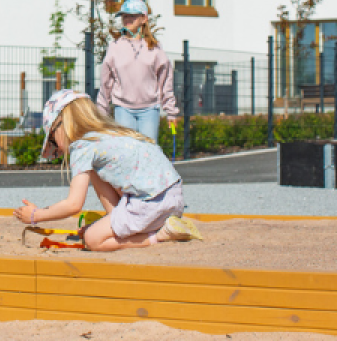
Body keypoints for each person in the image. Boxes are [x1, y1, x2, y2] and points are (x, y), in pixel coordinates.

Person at [13, 90, 201, 252]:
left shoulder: (82, 146)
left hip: (151, 204)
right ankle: (122, 221)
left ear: (62, 123)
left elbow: (74, 204)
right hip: (174, 198)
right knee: (96, 171)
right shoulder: (110, 134)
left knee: (93, 239)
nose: (58, 147)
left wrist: (36, 215)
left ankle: (160, 235)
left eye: (53, 139)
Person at [96, 0, 180, 144]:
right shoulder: (115, 46)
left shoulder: (155, 48)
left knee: (149, 150)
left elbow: (166, 80)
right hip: (123, 108)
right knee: (127, 150)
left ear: (143, 18)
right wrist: (102, 112)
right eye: (124, 16)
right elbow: (105, 82)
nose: (127, 19)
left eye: (132, 16)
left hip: (149, 109)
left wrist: (171, 111)